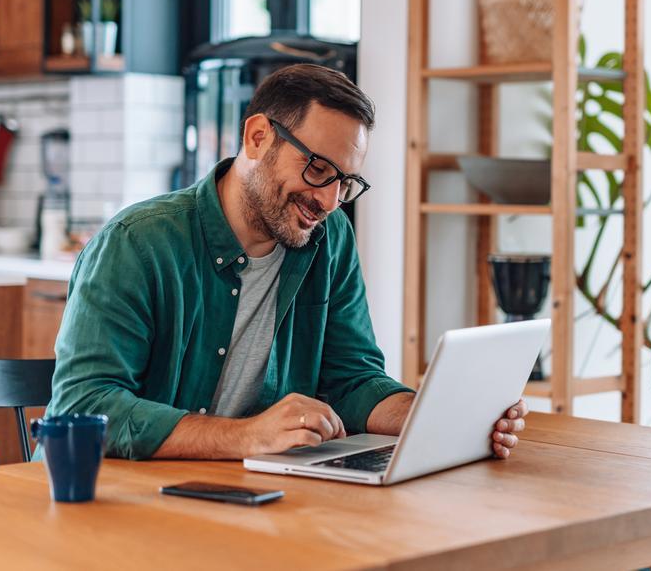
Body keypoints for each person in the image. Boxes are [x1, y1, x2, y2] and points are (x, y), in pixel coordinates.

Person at [44, 64, 529, 460]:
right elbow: (83, 408)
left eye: (345, 182)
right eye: (317, 169)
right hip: (112, 505)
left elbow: (351, 378)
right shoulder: (136, 244)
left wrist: (435, 414)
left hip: (241, 496)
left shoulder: (329, 238)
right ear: (258, 138)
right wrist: (247, 436)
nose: (329, 200)